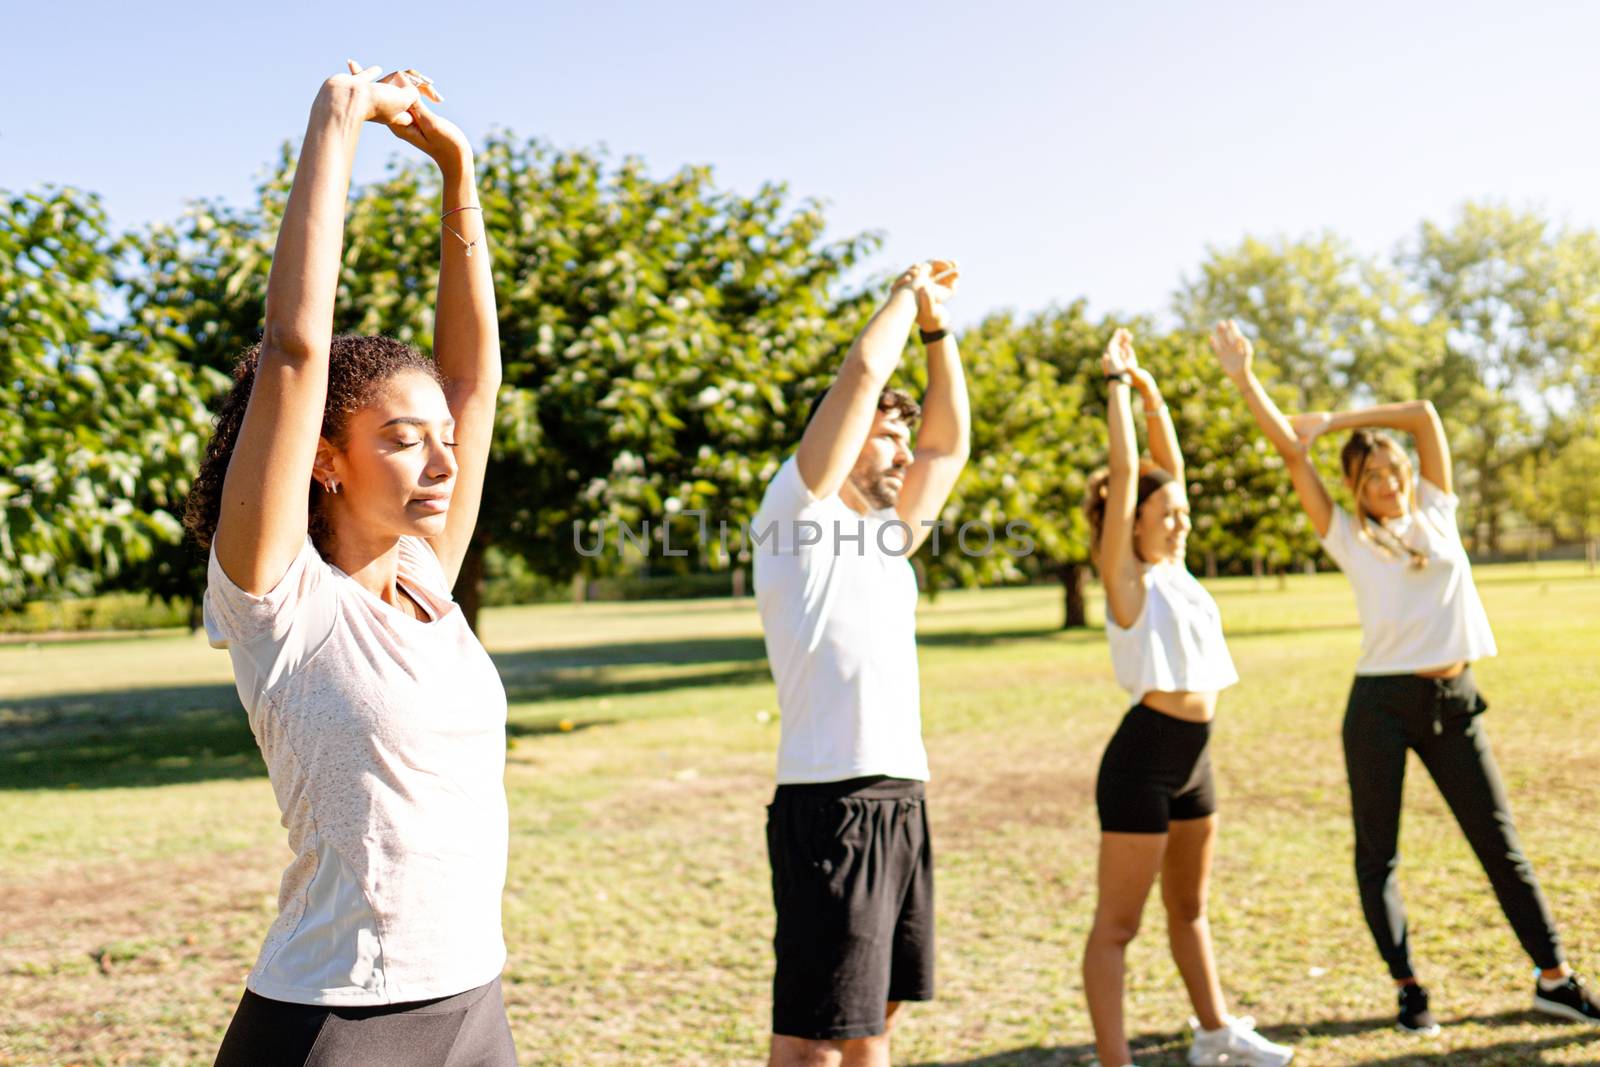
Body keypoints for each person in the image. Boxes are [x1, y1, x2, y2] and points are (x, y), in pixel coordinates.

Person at [186, 61, 515, 1065]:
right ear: (324, 458)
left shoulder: (426, 577)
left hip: (472, 1000)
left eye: (441, 436)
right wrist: (338, 118)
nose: (444, 454)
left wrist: (458, 177)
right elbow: (294, 348)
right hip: (337, 1021)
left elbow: (474, 379)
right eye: (402, 437)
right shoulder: (280, 597)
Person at [1214, 317, 1600, 1033]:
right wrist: (1246, 379)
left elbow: (1422, 415)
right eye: (1370, 476)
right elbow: (1289, 453)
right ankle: (1408, 984)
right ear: (1354, 489)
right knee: (1378, 853)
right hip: (1381, 704)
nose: (1387, 482)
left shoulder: (1437, 509)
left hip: (1456, 698)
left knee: (1499, 842)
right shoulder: (1347, 535)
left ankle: (1555, 976)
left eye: (1392, 469)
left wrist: (1337, 420)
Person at [752, 260, 969, 1067]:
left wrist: (941, 333)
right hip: (831, 802)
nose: (907, 448)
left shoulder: (888, 539)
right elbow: (865, 368)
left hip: (899, 795)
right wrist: (906, 298)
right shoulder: (798, 513)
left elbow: (951, 443)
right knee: (815, 1038)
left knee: (874, 1017)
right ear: (839, 439)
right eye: (888, 432)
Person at [1079, 329, 1294, 1067]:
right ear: (1130, 519)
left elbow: (1167, 469)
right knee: (1118, 925)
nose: (1181, 519)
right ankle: (1116, 1061)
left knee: (1190, 908)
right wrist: (1115, 391)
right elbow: (1131, 465)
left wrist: (1152, 390)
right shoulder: (1127, 578)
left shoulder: (1176, 568)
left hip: (1195, 757)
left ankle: (1213, 1032)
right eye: (1166, 513)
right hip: (1142, 759)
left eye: (1182, 513)